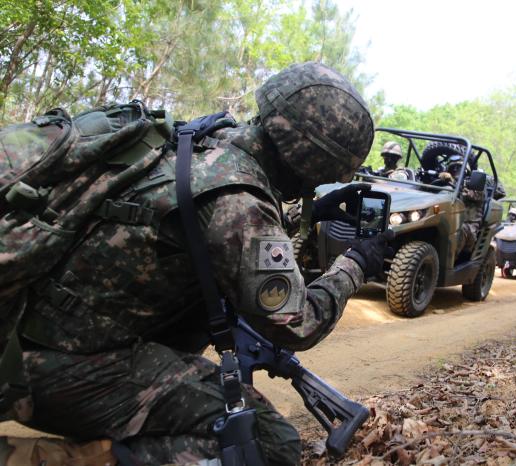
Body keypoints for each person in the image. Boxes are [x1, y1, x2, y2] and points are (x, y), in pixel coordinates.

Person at [0, 62, 391, 465]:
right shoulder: (239, 202)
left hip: (22, 336)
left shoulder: (201, 140)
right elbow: (298, 322)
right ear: (315, 165)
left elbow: (212, 230)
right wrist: (356, 264)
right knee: (269, 446)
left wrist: (305, 216)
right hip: (58, 370)